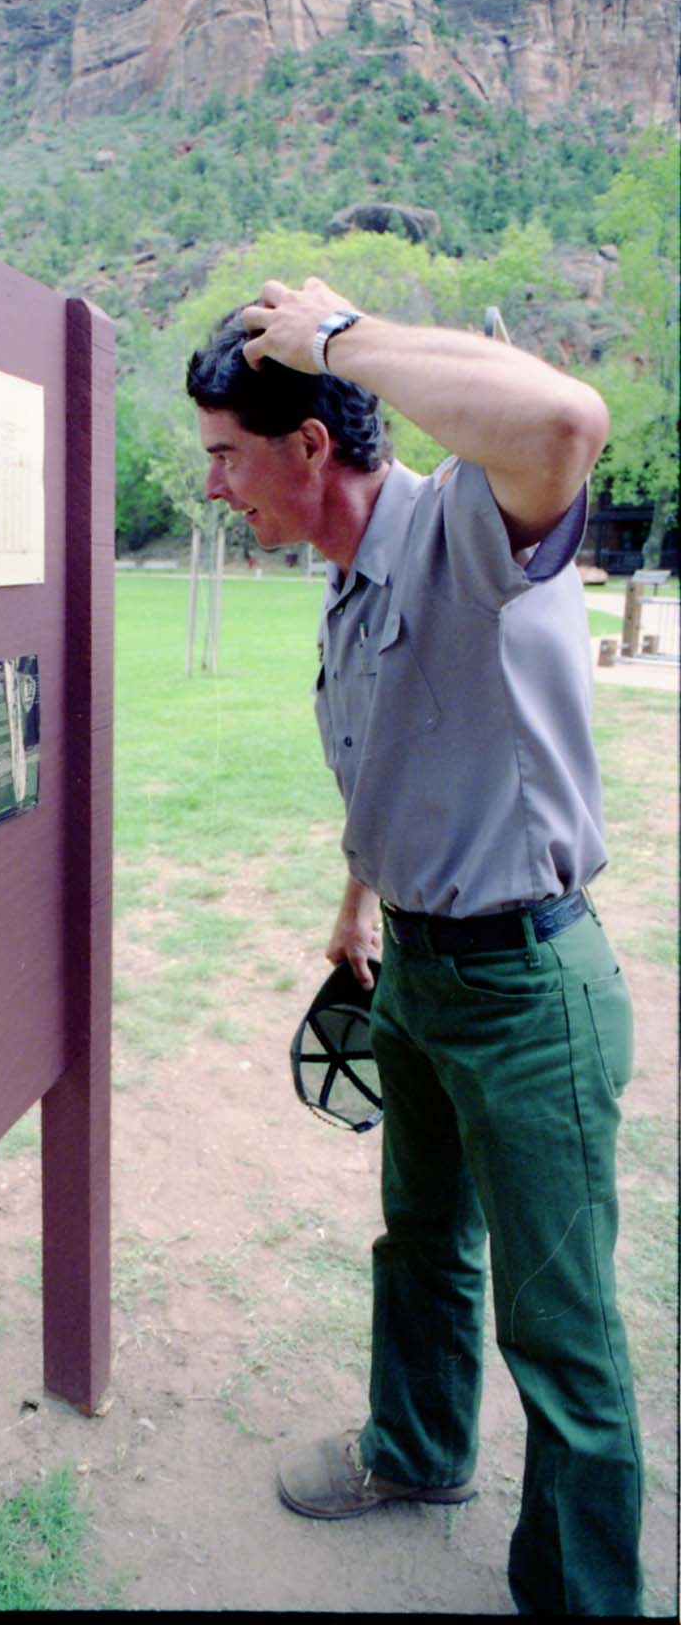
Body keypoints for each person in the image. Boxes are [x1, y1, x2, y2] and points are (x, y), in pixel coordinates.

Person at [186, 278, 642, 1617]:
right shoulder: (349, 584)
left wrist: (334, 343)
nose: (215, 487)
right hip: (422, 972)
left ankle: (580, 1598)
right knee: (422, 1243)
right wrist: (356, 903)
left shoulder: (467, 529)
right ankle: (419, 1452)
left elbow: (567, 420)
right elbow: (399, 760)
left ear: (308, 446)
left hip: (526, 991)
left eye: (225, 455)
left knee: (562, 1340)